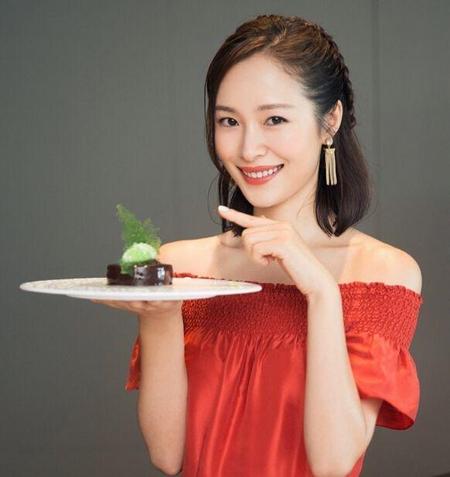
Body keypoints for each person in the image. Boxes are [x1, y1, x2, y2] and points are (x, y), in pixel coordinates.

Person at [92, 14, 424, 477]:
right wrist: (161, 316)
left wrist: (321, 292)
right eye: (229, 120)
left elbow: (332, 463)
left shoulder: (381, 274)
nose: (248, 149)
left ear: (329, 120)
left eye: (274, 119)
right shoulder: (181, 266)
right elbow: (167, 455)